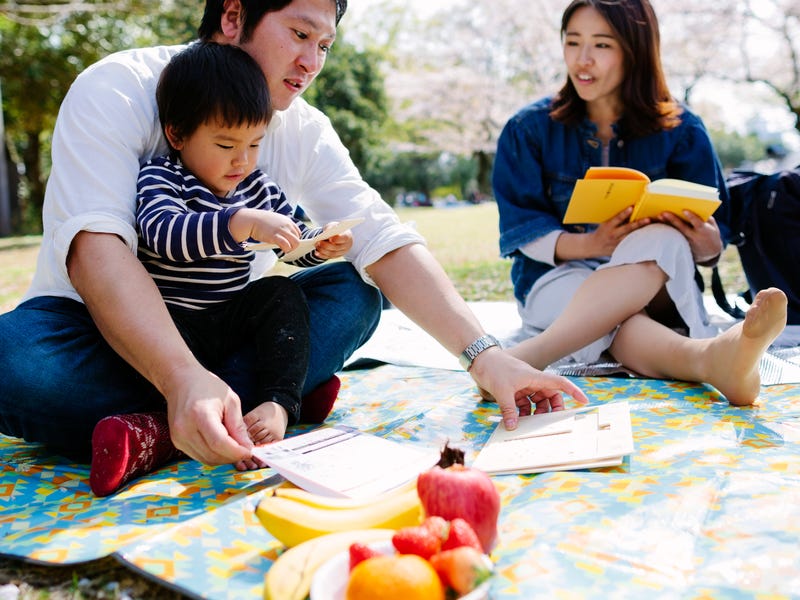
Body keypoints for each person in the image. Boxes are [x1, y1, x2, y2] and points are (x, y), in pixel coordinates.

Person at [0, 0, 588, 484]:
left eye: (325, 45)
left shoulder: (302, 127)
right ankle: (260, 399)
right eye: (300, 34)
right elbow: (96, 251)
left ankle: (188, 421)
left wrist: (486, 357)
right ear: (234, 16)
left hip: (227, 324)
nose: (312, 62)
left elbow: (379, 236)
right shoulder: (120, 88)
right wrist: (179, 377)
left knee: (353, 293)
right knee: (14, 359)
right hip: (95, 337)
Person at [89, 42, 359, 497]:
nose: (242, 160)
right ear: (177, 135)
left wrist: (319, 245)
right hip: (172, 330)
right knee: (119, 366)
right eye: (226, 145)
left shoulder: (257, 186)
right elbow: (165, 234)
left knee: (282, 294)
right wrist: (239, 223)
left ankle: (278, 401)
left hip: (231, 319)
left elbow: (290, 243)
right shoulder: (162, 176)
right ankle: (177, 425)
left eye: (254, 144)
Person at [493, 0, 787, 406]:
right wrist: (591, 245)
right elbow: (522, 227)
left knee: (664, 238)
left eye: (601, 45)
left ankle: (523, 358)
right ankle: (710, 360)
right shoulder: (528, 129)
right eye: (573, 42)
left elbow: (715, 237)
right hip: (559, 277)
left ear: (636, 52)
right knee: (612, 315)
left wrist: (705, 241)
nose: (582, 59)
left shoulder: (683, 130)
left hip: (657, 279)